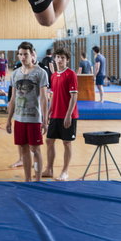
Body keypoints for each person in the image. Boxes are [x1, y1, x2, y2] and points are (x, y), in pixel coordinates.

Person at [6, 42, 49, 182]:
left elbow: (43, 98)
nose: (23, 57)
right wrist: (8, 119)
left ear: (32, 54)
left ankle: (37, 180)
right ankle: (28, 179)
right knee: (24, 149)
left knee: (35, 150)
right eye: (20, 54)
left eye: (26, 54)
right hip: (19, 118)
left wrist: (45, 120)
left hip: (34, 119)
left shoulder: (40, 73)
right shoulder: (15, 73)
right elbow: (12, 98)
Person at [42, 48, 78, 181]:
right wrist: (48, 113)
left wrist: (68, 114)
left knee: (67, 143)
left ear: (67, 60)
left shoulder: (71, 74)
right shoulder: (53, 75)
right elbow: (54, 96)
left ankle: (65, 171)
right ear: (55, 59)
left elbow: (74, 96)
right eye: (58, 57)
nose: (60, 60)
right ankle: (49, 169)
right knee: (49, 141)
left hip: (68, 115)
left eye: (63, 57)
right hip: (55, 115)